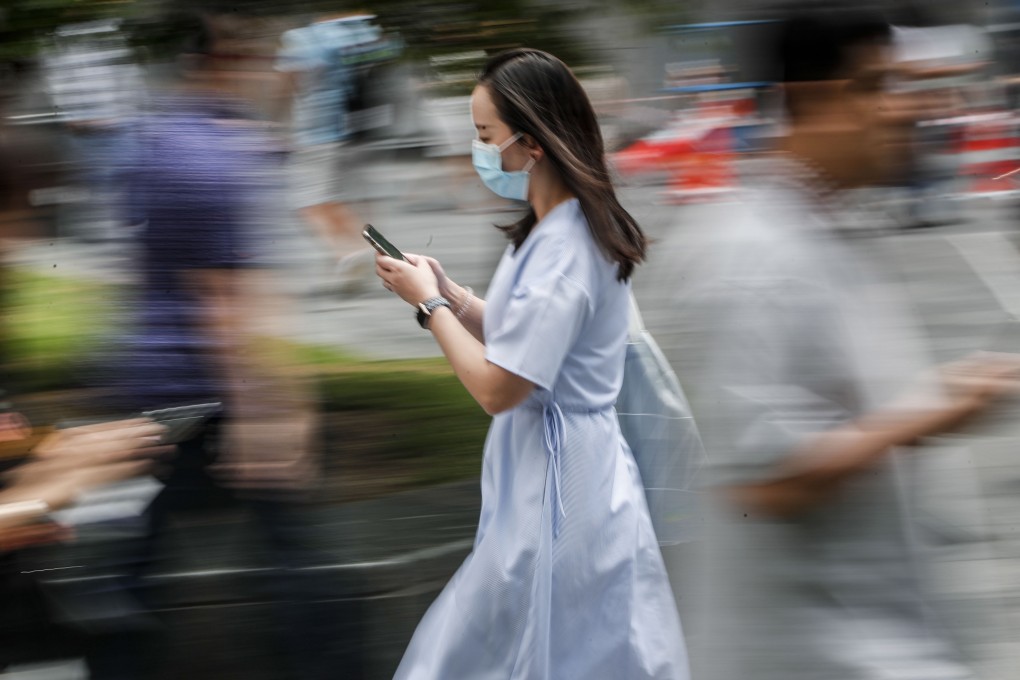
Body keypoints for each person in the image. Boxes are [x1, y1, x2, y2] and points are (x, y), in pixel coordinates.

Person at [680, 7, 1020, 680]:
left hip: (874, 639)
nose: (908, 111)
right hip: (809, 651)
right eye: (878, 86)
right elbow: (764, 480)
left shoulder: (822, 232)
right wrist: (932, 415)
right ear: (810, 100)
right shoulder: (750, 251)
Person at [375, 48, 688, 679]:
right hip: (560, 473)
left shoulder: (564, 248)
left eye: (486, 135)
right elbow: (536, 342)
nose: (478, 148)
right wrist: (455, 297)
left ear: (533, 142)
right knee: (557, 645)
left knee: (521, 646)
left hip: (562, 486)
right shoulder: (555, 229)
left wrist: (429, 306)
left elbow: (500, 387)